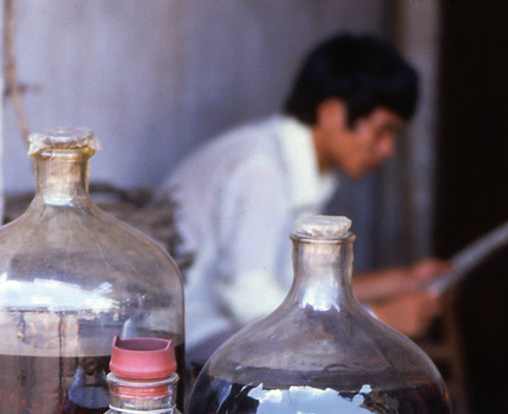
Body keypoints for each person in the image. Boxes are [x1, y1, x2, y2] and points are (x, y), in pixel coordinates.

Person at [162, 33, 449, 350]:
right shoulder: (262, 168)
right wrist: (378, 319)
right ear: (332, 113)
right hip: (193, 338)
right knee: (339, 364)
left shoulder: (300, 167)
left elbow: (297, 285)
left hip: (227, 327)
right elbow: (249, 296)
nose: (387, 149)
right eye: (383, 130)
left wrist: (403, 280)